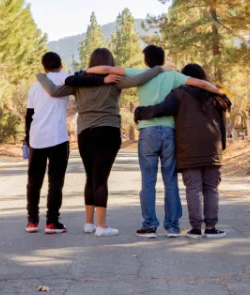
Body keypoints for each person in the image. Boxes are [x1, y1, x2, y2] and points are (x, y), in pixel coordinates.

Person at [87, 45, 224, 238]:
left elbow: (106, 70)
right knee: (170, 180)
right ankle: (173, 226)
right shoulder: (174, 76)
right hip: (169, 132)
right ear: (162, 59)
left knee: (148, 181)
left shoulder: (141, 74)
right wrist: (220, 93)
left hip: (147, 132)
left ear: (146, 61)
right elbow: (201, 84)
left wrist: (85, 71)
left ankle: (149, 226)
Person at [36, 48, 165, 237]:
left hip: (85, 133)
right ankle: (102, 226)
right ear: (109, 62)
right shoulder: (114, 79)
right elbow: (139, 79)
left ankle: (89, 223)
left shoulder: (80, 81)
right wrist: (158, 69)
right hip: (108, 130)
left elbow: (54, 91)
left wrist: (42, 76)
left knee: (90, 176)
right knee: (101, 178)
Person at [134, 63, 231, 239]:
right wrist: (221, 146)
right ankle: (210, 228)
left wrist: (140, 112)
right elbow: (222, 124)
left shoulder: (179, 94)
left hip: (188, 149)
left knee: (193, 188)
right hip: (212, 148)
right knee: (211, 188)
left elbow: (160, 109)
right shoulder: (215, 95)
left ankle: (195, 229)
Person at [24, 52, 70, 234]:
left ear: (43, 67)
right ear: (61, 64)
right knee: (56, 180)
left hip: (36, 137)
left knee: (34, 181)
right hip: (58, 137)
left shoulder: (35, 87)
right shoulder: (66, 78)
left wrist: (27, 140)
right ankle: (52, 222)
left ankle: (32, 221)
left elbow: (28, 116)